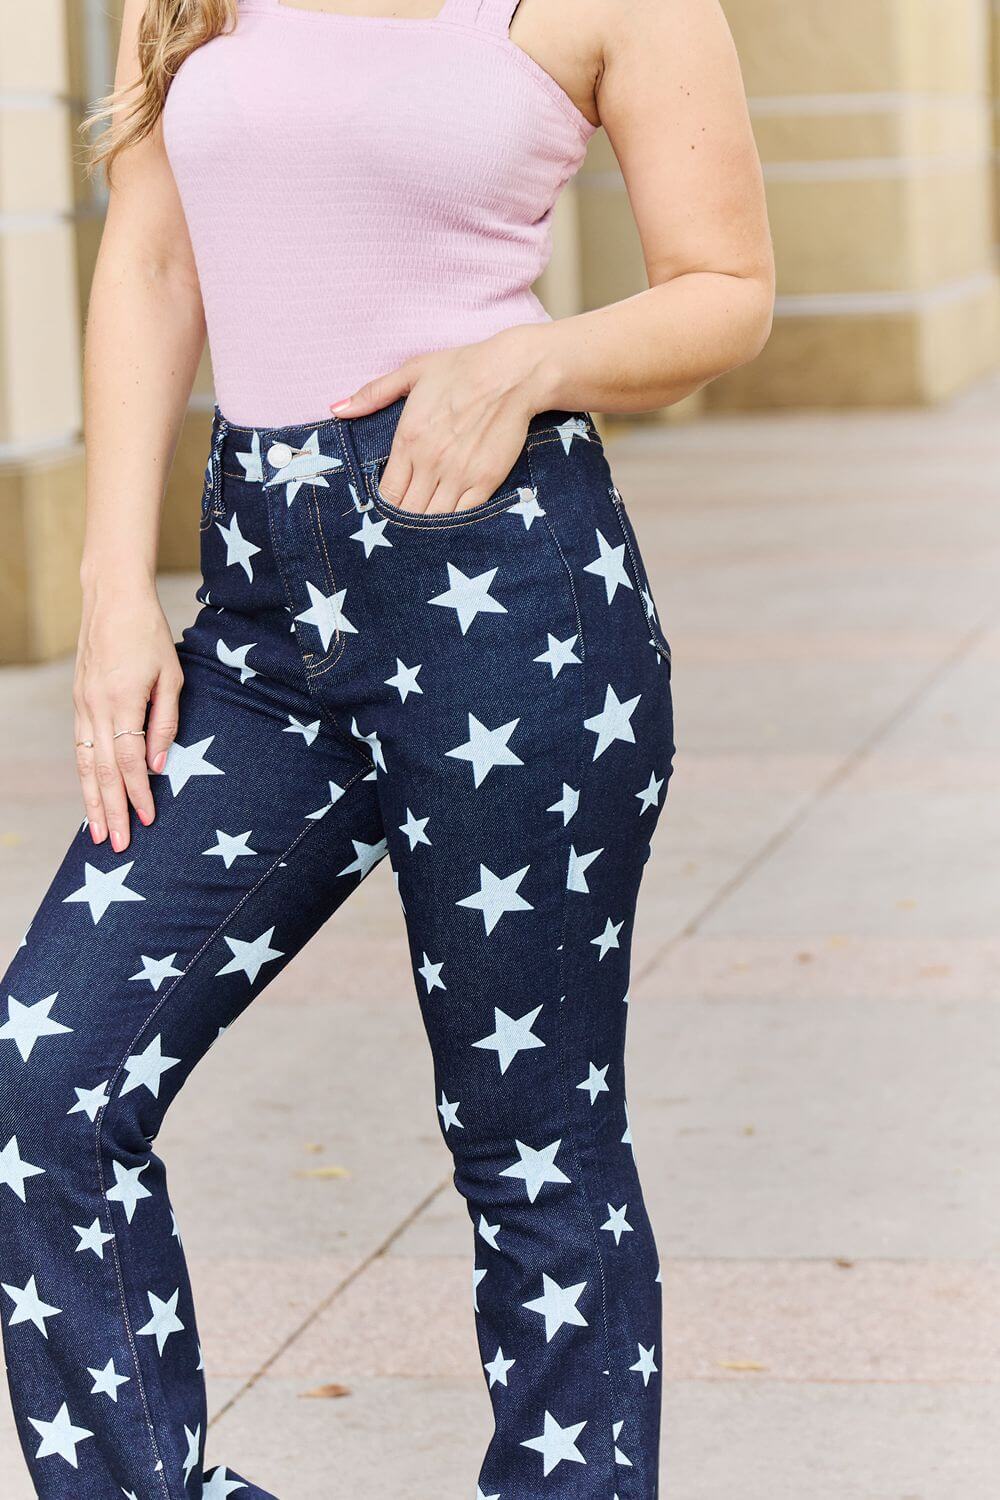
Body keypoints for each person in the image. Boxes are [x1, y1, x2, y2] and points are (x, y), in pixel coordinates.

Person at [0, 0, 773, 1494]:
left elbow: (726, 290)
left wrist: (521, 363)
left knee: (531, 1138)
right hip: (258, 623)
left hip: (511, 602)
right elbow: (155, 259)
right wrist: (113, 588)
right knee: (47, 1078)